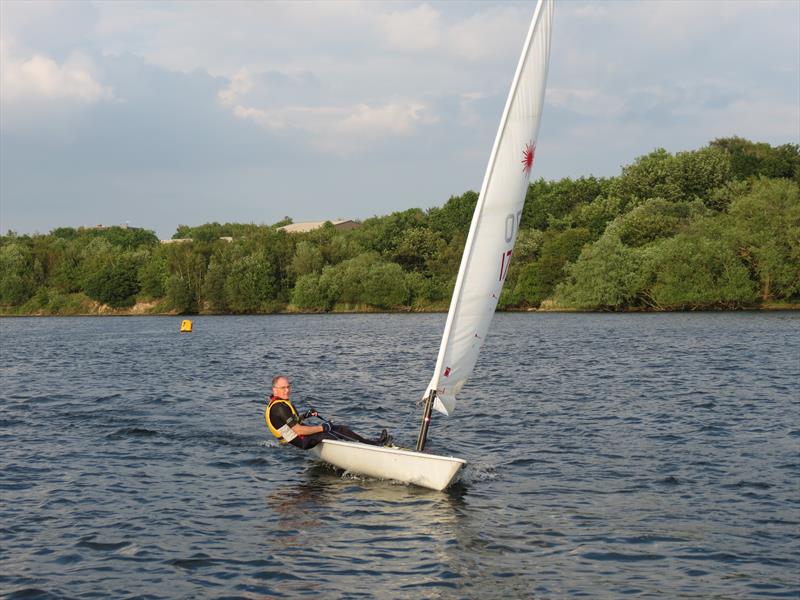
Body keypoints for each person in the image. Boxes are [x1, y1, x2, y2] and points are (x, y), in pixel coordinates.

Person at [265, 375, 391, 450]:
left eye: (288, 387)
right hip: (300, 441)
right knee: (334, 433)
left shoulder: (280, 403)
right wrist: (322, 428)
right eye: (283, 388)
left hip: (298, 437)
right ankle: (374, 446)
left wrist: (305, 416)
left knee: (339, 429)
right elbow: (298, 430)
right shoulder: (279, 407)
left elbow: (291, 424)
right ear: (275, 390)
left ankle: (370, 443)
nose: (287, 390)